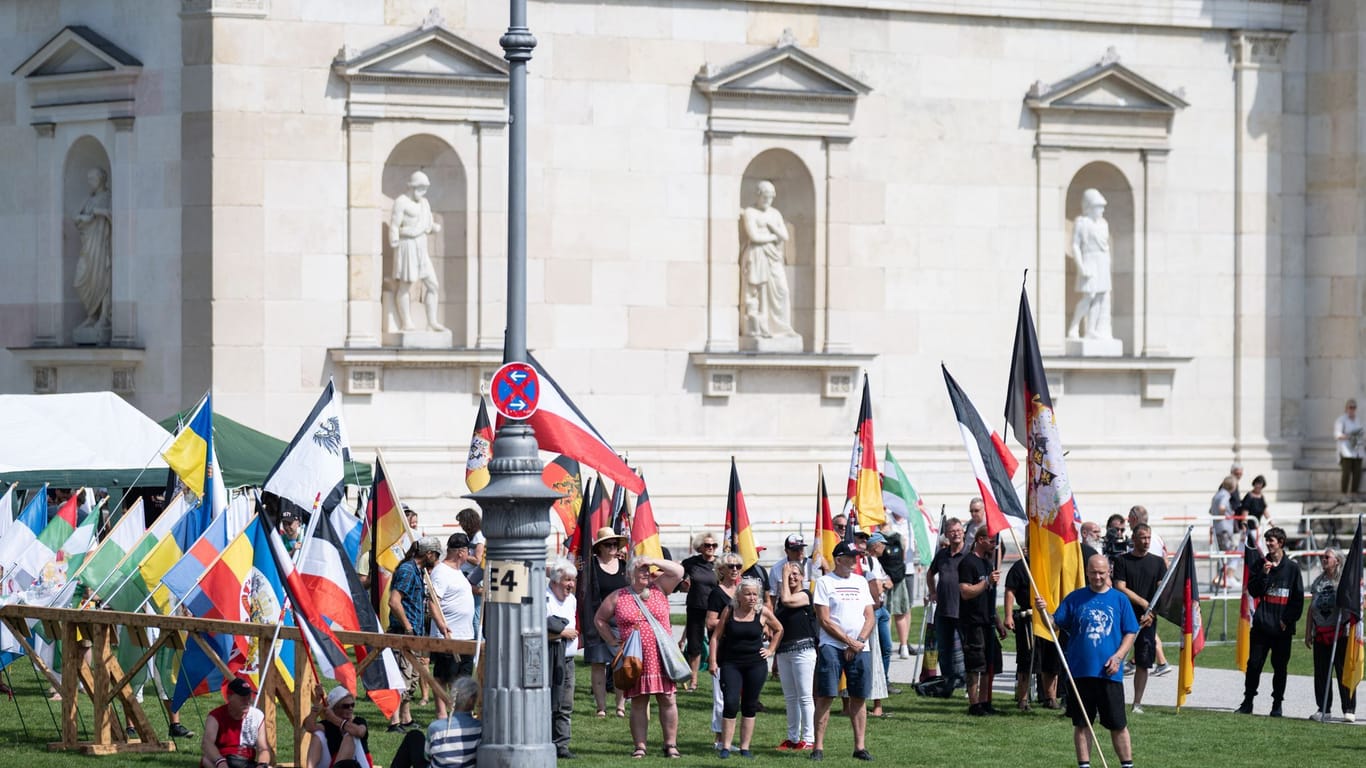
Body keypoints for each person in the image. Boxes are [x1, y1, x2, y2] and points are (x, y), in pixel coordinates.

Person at [1040, 554, 1138, 768]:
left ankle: (1127, 765)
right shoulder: (1075, 598)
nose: (1097, 577)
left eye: (1102, 572)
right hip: (1079, 672)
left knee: (1118, 724)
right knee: (1082, 724)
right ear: (1087, 572)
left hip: (1109, 672)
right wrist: (1043, 611)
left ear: (1109, 572)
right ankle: (1084, 765)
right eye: (1093, 572)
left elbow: (1131, 631)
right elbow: (1053, 624)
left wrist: (1119, 656)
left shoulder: (1119, 599)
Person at [594, 555, 687, 759]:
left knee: (668, 699)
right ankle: (640, 746)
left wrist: (653, 560)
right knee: (638, 702)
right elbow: (599, 619)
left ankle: (670, 745)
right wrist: (611, 640)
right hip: (635, 659)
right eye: (641, 569)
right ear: (629, 574)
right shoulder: (619, 596)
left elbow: (679, 572)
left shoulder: (659, 588)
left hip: (662, 657)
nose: (646, 572)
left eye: (647, 569)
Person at [812, 541, 876, 762]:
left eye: (856, 557)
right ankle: (818, 747)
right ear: (839, 559)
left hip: (860, 647)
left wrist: (858, 641)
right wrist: (848, 641)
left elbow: (870, 615)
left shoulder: (860, 582)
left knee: (859, 697)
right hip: (832, 646)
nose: (854, 560)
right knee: (826, 695)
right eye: (850, 557)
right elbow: (825, 620)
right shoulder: (824, 582)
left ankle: (860, 747)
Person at [709, 577, 783, 758]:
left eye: (755, 594)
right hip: (731, 663)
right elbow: (715, 637)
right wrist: (712, 660)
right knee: (731, 702)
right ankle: (725, 746)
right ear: (739, 595)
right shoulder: (729, 610)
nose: (751, 598)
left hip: (755, 665)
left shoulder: (763, 612)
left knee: (750, 705)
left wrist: (771, 650)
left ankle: (745, 747)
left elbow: (779, 629)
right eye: (748, 594)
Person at [1237, 526, 1304, 717]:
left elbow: (1298, 599)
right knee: (1254, 665)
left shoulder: (1292, 569)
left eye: (1271, 541)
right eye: (1266, 540)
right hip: (1262, 627)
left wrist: (1287, 620)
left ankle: (1277, 704)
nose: (1267, 544)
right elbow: (1254, 591)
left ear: (1280, 543)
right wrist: (1264, 576)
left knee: (1280, 668)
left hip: (1282, 629)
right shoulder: (1260, 564)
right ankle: (1248, 701)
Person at [387, 537, 443, 732]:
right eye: (435, 555)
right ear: (428, 554)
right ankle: (394, 722)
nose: (436, 560)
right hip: (404, 634)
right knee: (401, 677)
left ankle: (406, 717)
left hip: (414, 633)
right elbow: (394, 601)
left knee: (410, 678)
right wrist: (408, 627)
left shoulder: (417, 571)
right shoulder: (408, 571)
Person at [1113, 524, 1168, 714]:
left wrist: (1152, 612)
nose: (1146, 541)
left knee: (1143, 661)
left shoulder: (1158, 562)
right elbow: (1120, 587)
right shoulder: (1122, 561)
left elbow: (1162, 591)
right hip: (1125, 615)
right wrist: (1144, 603)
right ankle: (1115, 699)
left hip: (1148, 619)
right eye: (1142, 538)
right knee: (1116, 657)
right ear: (1134, 539)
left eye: (1148, 538)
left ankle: (1137, 703)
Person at [739, 180, 800, 343]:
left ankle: (781, 328)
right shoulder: (750, 212)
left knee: (782, 291)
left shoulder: (775, 214)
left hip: (774, 257)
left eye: (770, 197)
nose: (768, 200)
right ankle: (762, 328)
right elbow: (754, 236)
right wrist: (773, 236)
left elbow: (785, 236)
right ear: (758, 195)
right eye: (765, 197)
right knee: (760, 293)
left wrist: (772, 227)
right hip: (758, 255)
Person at [1004, 543, 1061, 711]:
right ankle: (1022, 699)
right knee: (1027, 661)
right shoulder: (1020, 567)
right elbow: (1010, 591)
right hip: (1027, 618)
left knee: (1051, 660)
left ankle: (1050, 698)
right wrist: (1008, 615)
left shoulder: (1049, 565)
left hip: (1049, 618)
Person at [388, 170, 446, 332]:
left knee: (433, 285)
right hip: (407, 246)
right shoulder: (402, 202)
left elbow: (427, 225)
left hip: (421, 247)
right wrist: (394, 240)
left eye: (425, 189)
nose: (423, 192)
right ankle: (406, 322)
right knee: (405, 286)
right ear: (412, 187)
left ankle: (432, 321)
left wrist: (434, 227)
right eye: (420, 188)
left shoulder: (424, 203)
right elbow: (394, 224)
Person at [1305, 547, 1357, 722]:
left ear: (1337, 561)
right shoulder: (1318, 582)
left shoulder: (1344, 582)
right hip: (1320, 633)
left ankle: (1348, 708)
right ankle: (1324, 708)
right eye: (1322, 557)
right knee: (1321, 673)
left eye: (1327, 557)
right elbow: (1311, 609)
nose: (1323, 559)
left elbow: (1353, 605)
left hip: (1340, 633)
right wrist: (1308, 632)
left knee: (1343, 672)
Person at [957, 528, 1005, 716]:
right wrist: (986, 583)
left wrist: (998, 622)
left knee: (990, 663)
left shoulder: (987, 563)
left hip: (987, 621)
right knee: (975, 664)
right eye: (992, 541)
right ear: (981, 539)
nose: (994, 544)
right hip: (972, 621)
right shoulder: (968, 563)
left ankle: (986, 701)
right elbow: (965, 592)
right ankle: (974, 703)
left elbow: (990, 597)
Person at [583, 526, 630, 719]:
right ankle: (601, 707)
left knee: (620, 664)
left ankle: (620, 706)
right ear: (600, 547)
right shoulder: (590, 566)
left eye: (615, 544)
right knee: (598, 664)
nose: (613, 547)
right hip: (595, 621)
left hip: (619, 622)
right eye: (609, 544)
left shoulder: (624, 566)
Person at [429, 533, 474, 721]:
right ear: (461, 552)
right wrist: (441, 625)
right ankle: (441, 713)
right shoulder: (441, 572)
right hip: (448, 635)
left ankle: (460, 713)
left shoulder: (458, 572)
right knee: (443, 675)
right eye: (467, 551)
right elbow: (433, 601)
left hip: (465, 635)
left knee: (462, 677)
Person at [389, 676, 481, 768]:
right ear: (473, 700)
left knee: (414, 736)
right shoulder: (480, 728)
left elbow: (427, 756)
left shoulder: (436, 727)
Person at [775, 560, 819, 751]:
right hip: (784, 651)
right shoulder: (781, 598)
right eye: (789, 574)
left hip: (803, 651)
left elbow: (787, 600)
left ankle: (809, 738)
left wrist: (783, 576)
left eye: (795, 574)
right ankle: (793, 737)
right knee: (790, 697)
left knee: (805, 696)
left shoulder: (805, 595)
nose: (792, 577)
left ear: (802, 577)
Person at [706, 552, 745, 748]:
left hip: (743, 650)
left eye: (738, 566)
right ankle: (720, 739)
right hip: (722, 652)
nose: (735, 569)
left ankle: (728, 739)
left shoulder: (743, 591)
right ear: (721, 570)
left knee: (734, 697)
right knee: (721, 697)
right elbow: (710, 621)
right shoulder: (716, 593)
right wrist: (732, 621)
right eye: (731, 566)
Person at [925, 517, 967, 693]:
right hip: (943, 609)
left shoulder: (969, 554)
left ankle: (966, 682)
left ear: (963, 532)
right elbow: (930, 573)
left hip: (963, 609)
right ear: (947, 535)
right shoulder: (942, 555)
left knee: (966, 648)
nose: (956, 534)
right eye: (952, 531)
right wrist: (932, 591)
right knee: (944, 648)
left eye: (958, 530)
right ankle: (948, 681)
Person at [1066, 188, 1114, 341]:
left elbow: (1105, 246)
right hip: (1089, 260)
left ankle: (1091, 329)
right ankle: (1074, 326)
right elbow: (1075, 245)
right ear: (1090, 207)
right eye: (1098, 206)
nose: (1102, 209)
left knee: (1100, 297)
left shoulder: (1103, 224)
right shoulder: (1082, 223)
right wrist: (1081, 266)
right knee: (1089, 296)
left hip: (1102, 261)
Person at [546, 557, 579, 757]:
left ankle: (561, 745)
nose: (571, 585)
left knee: (565, 705)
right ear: (556, 580)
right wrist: (561, 634)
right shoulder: (543, 598)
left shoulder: (572, 600)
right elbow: (535, 630)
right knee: (547, 703)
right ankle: (545, 742)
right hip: (548, 657)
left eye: (573, 580)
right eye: (567, 580)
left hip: (567, 660)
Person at [679, 532, 720, 690]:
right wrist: (682, 585)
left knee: (716, 641)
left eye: (713, 545)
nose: (711, 548)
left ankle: (718, 676)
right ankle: (693, 679)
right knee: (694, 645)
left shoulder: (720, 563)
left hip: (714, 609)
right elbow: (679, 579)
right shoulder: (690, 563)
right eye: (707, 545)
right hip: (696, 606)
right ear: (700, 547)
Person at [200, 677, 273, 768]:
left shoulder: (257, 716)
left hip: (247, 762)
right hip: (224, 760)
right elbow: (207, 743)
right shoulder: (215, 716)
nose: (247, 702)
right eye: (242, 698)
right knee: (206, 760)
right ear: (229, 697)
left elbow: (263, 748)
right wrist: (220, 762)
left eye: (249, 697)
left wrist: (262, 764)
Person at [73, 167, 112, 334]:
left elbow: (114, 216)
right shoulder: (89, 199)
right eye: (88, 179)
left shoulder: (109, 197)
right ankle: (91, 314)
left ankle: (103, 317)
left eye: (92, 179)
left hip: (102, 243)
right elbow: (77, 217)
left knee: (102, 276)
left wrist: (99, 212)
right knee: (80, 280)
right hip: (88, 245)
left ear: (101, 180)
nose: (89, 182)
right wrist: (84, 218)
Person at [303, 685, 370, 768]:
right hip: (335, 762)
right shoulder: (328, 724)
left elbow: (359, 732)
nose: (350, 708)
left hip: (360, 765)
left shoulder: (359, 721)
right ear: (335, 708)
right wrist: (317, 702)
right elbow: (309, 726)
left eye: (352, 705)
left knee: (350, 736)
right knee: (318, 734)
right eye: (346, 706)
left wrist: (335, 719)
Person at [456, 509, 485, 630]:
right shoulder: (473, 536)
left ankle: (477, 642)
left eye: (462, 522)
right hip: (468, 576)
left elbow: (478, 560)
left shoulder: (479, 537)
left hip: (474, 578)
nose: (461, 525)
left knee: (475, 615)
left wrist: (463, 555)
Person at [1334, 398, 1363, 495]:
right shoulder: (1341, 420)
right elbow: (1337, 435)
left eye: (1354, 407)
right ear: (1346, 408)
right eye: (1350, 407)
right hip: (1346, 451)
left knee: (1357, 473)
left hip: (1357, 450)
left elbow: (1361, 433)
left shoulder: (1358, 420)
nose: (1352, 409)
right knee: (1346, 473)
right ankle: (1344, 494)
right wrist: (1349, 436)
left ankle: (1354, 493)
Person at [1210, 475, 1238, 554]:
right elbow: (1222, 507)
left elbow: (1211, 510)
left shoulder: (1217, 494)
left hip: (1217, 527)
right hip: (1224, 528)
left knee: (1222, 554)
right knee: (1228, 553)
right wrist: (1223, 516)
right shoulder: (1225, 495)